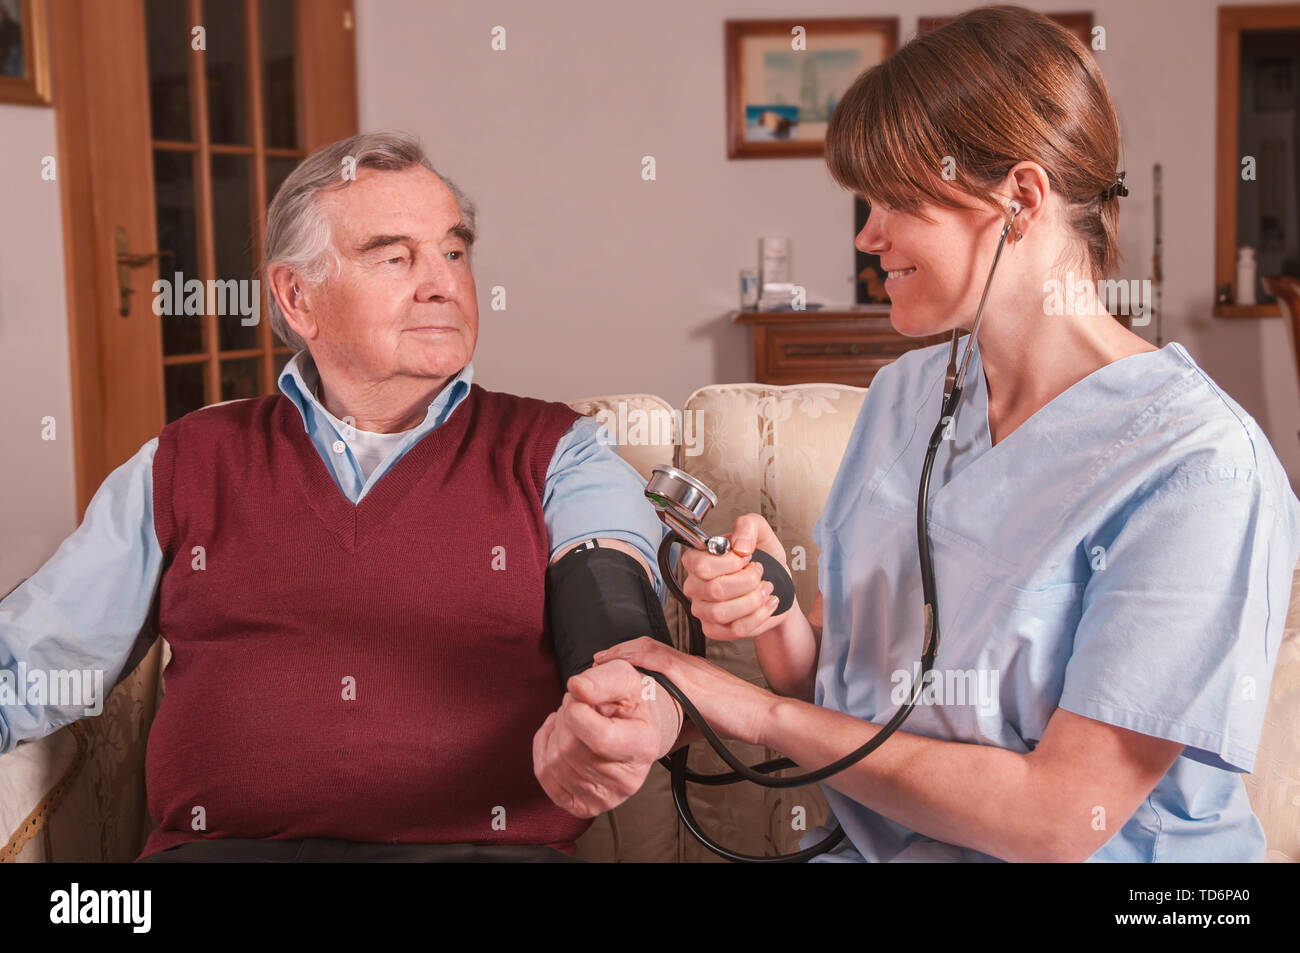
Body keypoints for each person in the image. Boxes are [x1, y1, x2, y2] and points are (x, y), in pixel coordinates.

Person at [546, 5, 1300, 862]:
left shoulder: (1199, 469)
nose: (868, 237)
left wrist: (748, 706)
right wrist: (773, 609)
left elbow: (1056, 820)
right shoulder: (908, 397)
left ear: (1019, 200)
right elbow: (836, 680)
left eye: (897, 200)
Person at [0, 130, 684, 862]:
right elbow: (32, 661)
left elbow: (614, 617)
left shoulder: (559, 452)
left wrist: (624, 701)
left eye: (453, 252)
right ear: (298, 297)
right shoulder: (185, 462)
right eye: (395, 257)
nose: (442, 284)